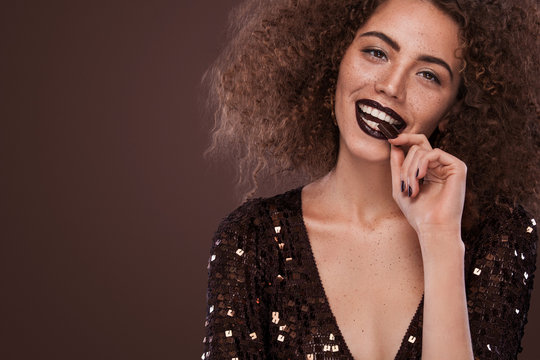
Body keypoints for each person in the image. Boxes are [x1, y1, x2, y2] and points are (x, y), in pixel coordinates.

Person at [202, 0, 539, 358]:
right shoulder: (253, 240)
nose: (392, 86)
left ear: (453, 108)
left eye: (428, 74)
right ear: (337, 57)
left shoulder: (500, 236)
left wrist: (440, 240)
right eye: (376, 52)